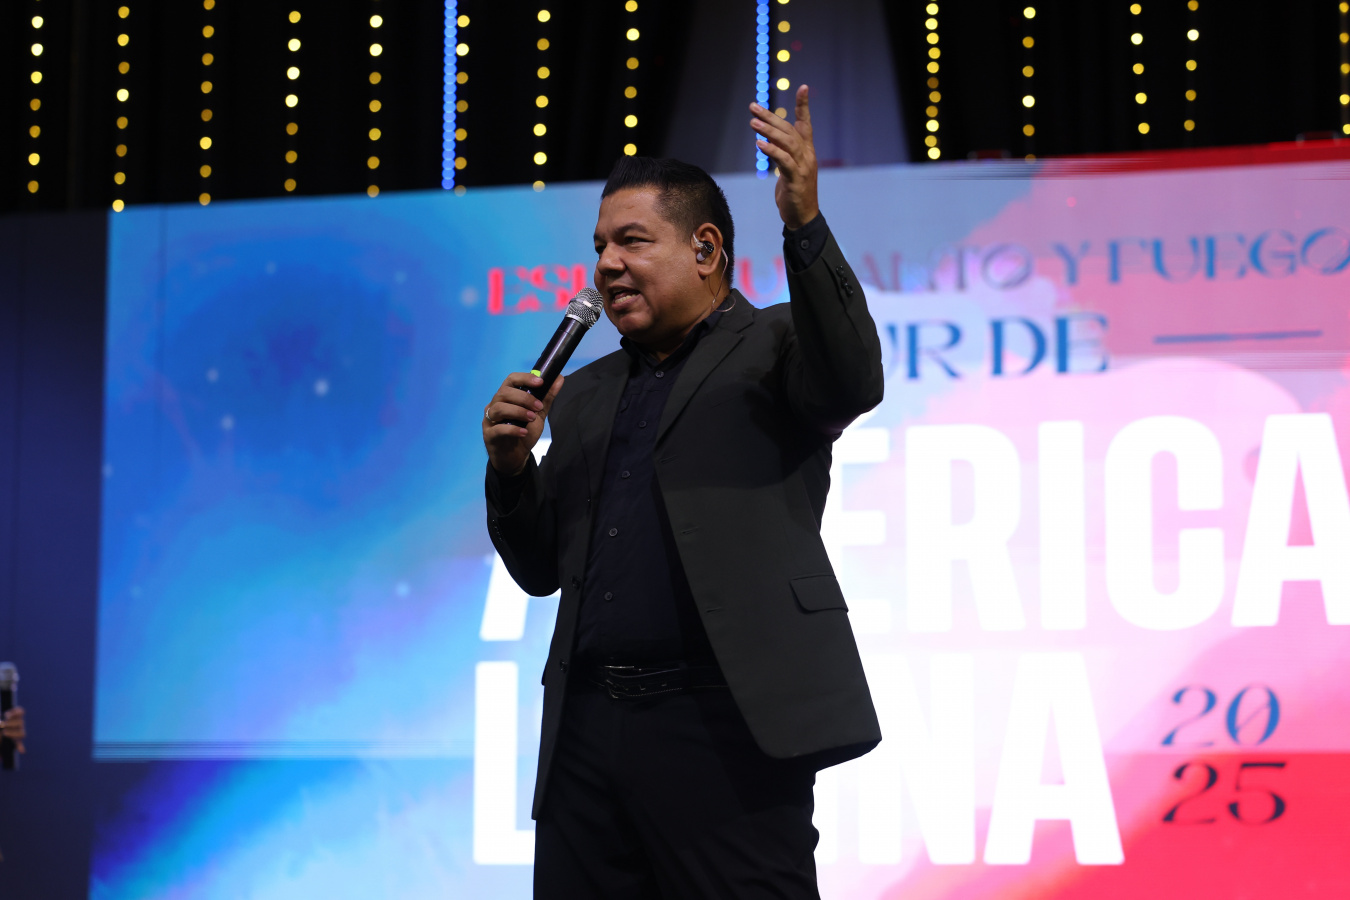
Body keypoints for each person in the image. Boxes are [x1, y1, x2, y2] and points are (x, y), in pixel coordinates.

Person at [482, 86, 883, 899]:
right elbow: (540, 568)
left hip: (726, 728)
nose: (607, 265)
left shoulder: (775, 342)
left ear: (706, 250)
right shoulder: (584, 393)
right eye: (600, 246)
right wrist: (512, 470)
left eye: (632, 241)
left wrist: (804, 223)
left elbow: (853, 380)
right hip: (588, 735)